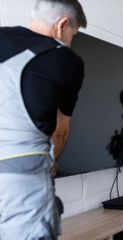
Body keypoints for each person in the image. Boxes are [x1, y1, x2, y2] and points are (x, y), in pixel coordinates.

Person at [0, 0, 87, 239]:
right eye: (73, 34)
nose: (70, 42)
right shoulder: (67, 60)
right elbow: (60, 133)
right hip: (20, 183)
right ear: (62, 25)